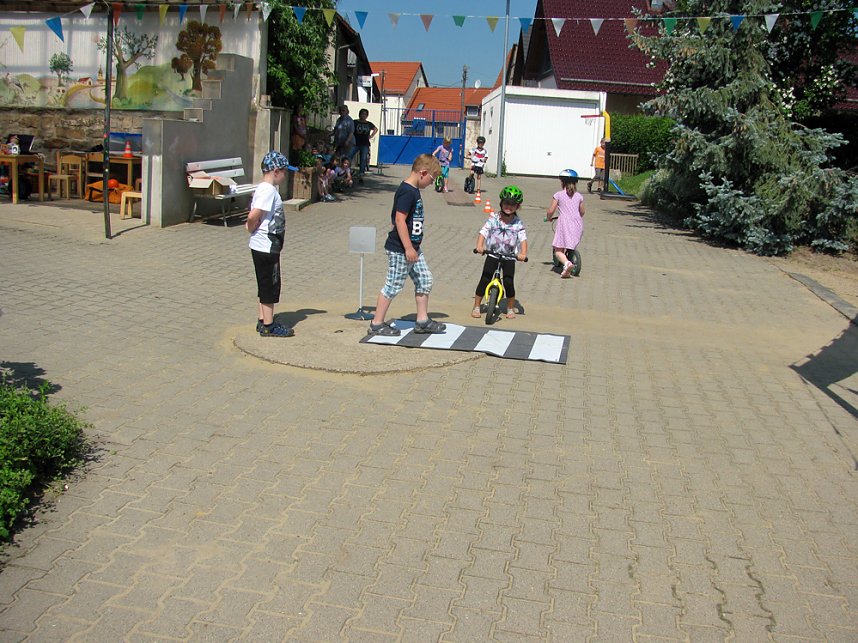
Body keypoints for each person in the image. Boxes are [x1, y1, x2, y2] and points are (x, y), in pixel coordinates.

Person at [367, 154, 446, 337]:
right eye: (431, 179)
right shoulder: (407, 191)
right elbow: (399, 220)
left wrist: (413, 247)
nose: (431, 183)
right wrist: (408, 247)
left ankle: (422, 321)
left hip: (414, 249)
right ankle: (377, 323)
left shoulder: (414, 190)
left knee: (425, 280)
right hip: (401, 250)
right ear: (422, 173)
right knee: (393, 285)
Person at [246, 151, 294, 337]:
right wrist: (250, 227)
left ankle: (262, 319)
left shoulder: (263, 189)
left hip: (264, 245)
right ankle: (269, 325)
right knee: (270, 285)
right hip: (266, 245)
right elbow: (253, 215)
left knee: (264, 282)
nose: (285, 176)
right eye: (284, 172)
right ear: (276, 171)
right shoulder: (268, 190)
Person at [472, 186, 528, 320]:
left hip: (509, 257)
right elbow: (483, 232)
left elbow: (523, 239)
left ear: (517, 207)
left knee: (509, 281)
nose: (509, 206)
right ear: (501, 203)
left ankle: (510, 307)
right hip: (492, 254)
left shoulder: (518, 223)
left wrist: (523, 253)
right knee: (485, 278)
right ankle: (476, 306)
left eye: (513, 204)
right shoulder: (493, 219)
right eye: (506, 203)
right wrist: (480, 246)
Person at [547, 169, 585, 279]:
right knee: (571, 243)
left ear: (562, 182)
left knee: (558, 250)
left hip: (564, 224)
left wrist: (548, 218)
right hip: (577, 223)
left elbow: (551, 211)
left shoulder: (558, 195)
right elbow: (582, 212)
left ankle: (567, 264)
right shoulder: (579, 196)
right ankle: (570, 260)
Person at [353, 108, 377, 182]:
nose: (363, 115)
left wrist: (371, 136)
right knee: (349, 156)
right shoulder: (355, 122)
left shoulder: (368, 124)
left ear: (367, 115)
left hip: (365, 143)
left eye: (365, 114)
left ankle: (361, 174)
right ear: (359, 114)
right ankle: (347, 171)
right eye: (362, 114)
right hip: (355, 142)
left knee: (363, 159)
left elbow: (375, 129)